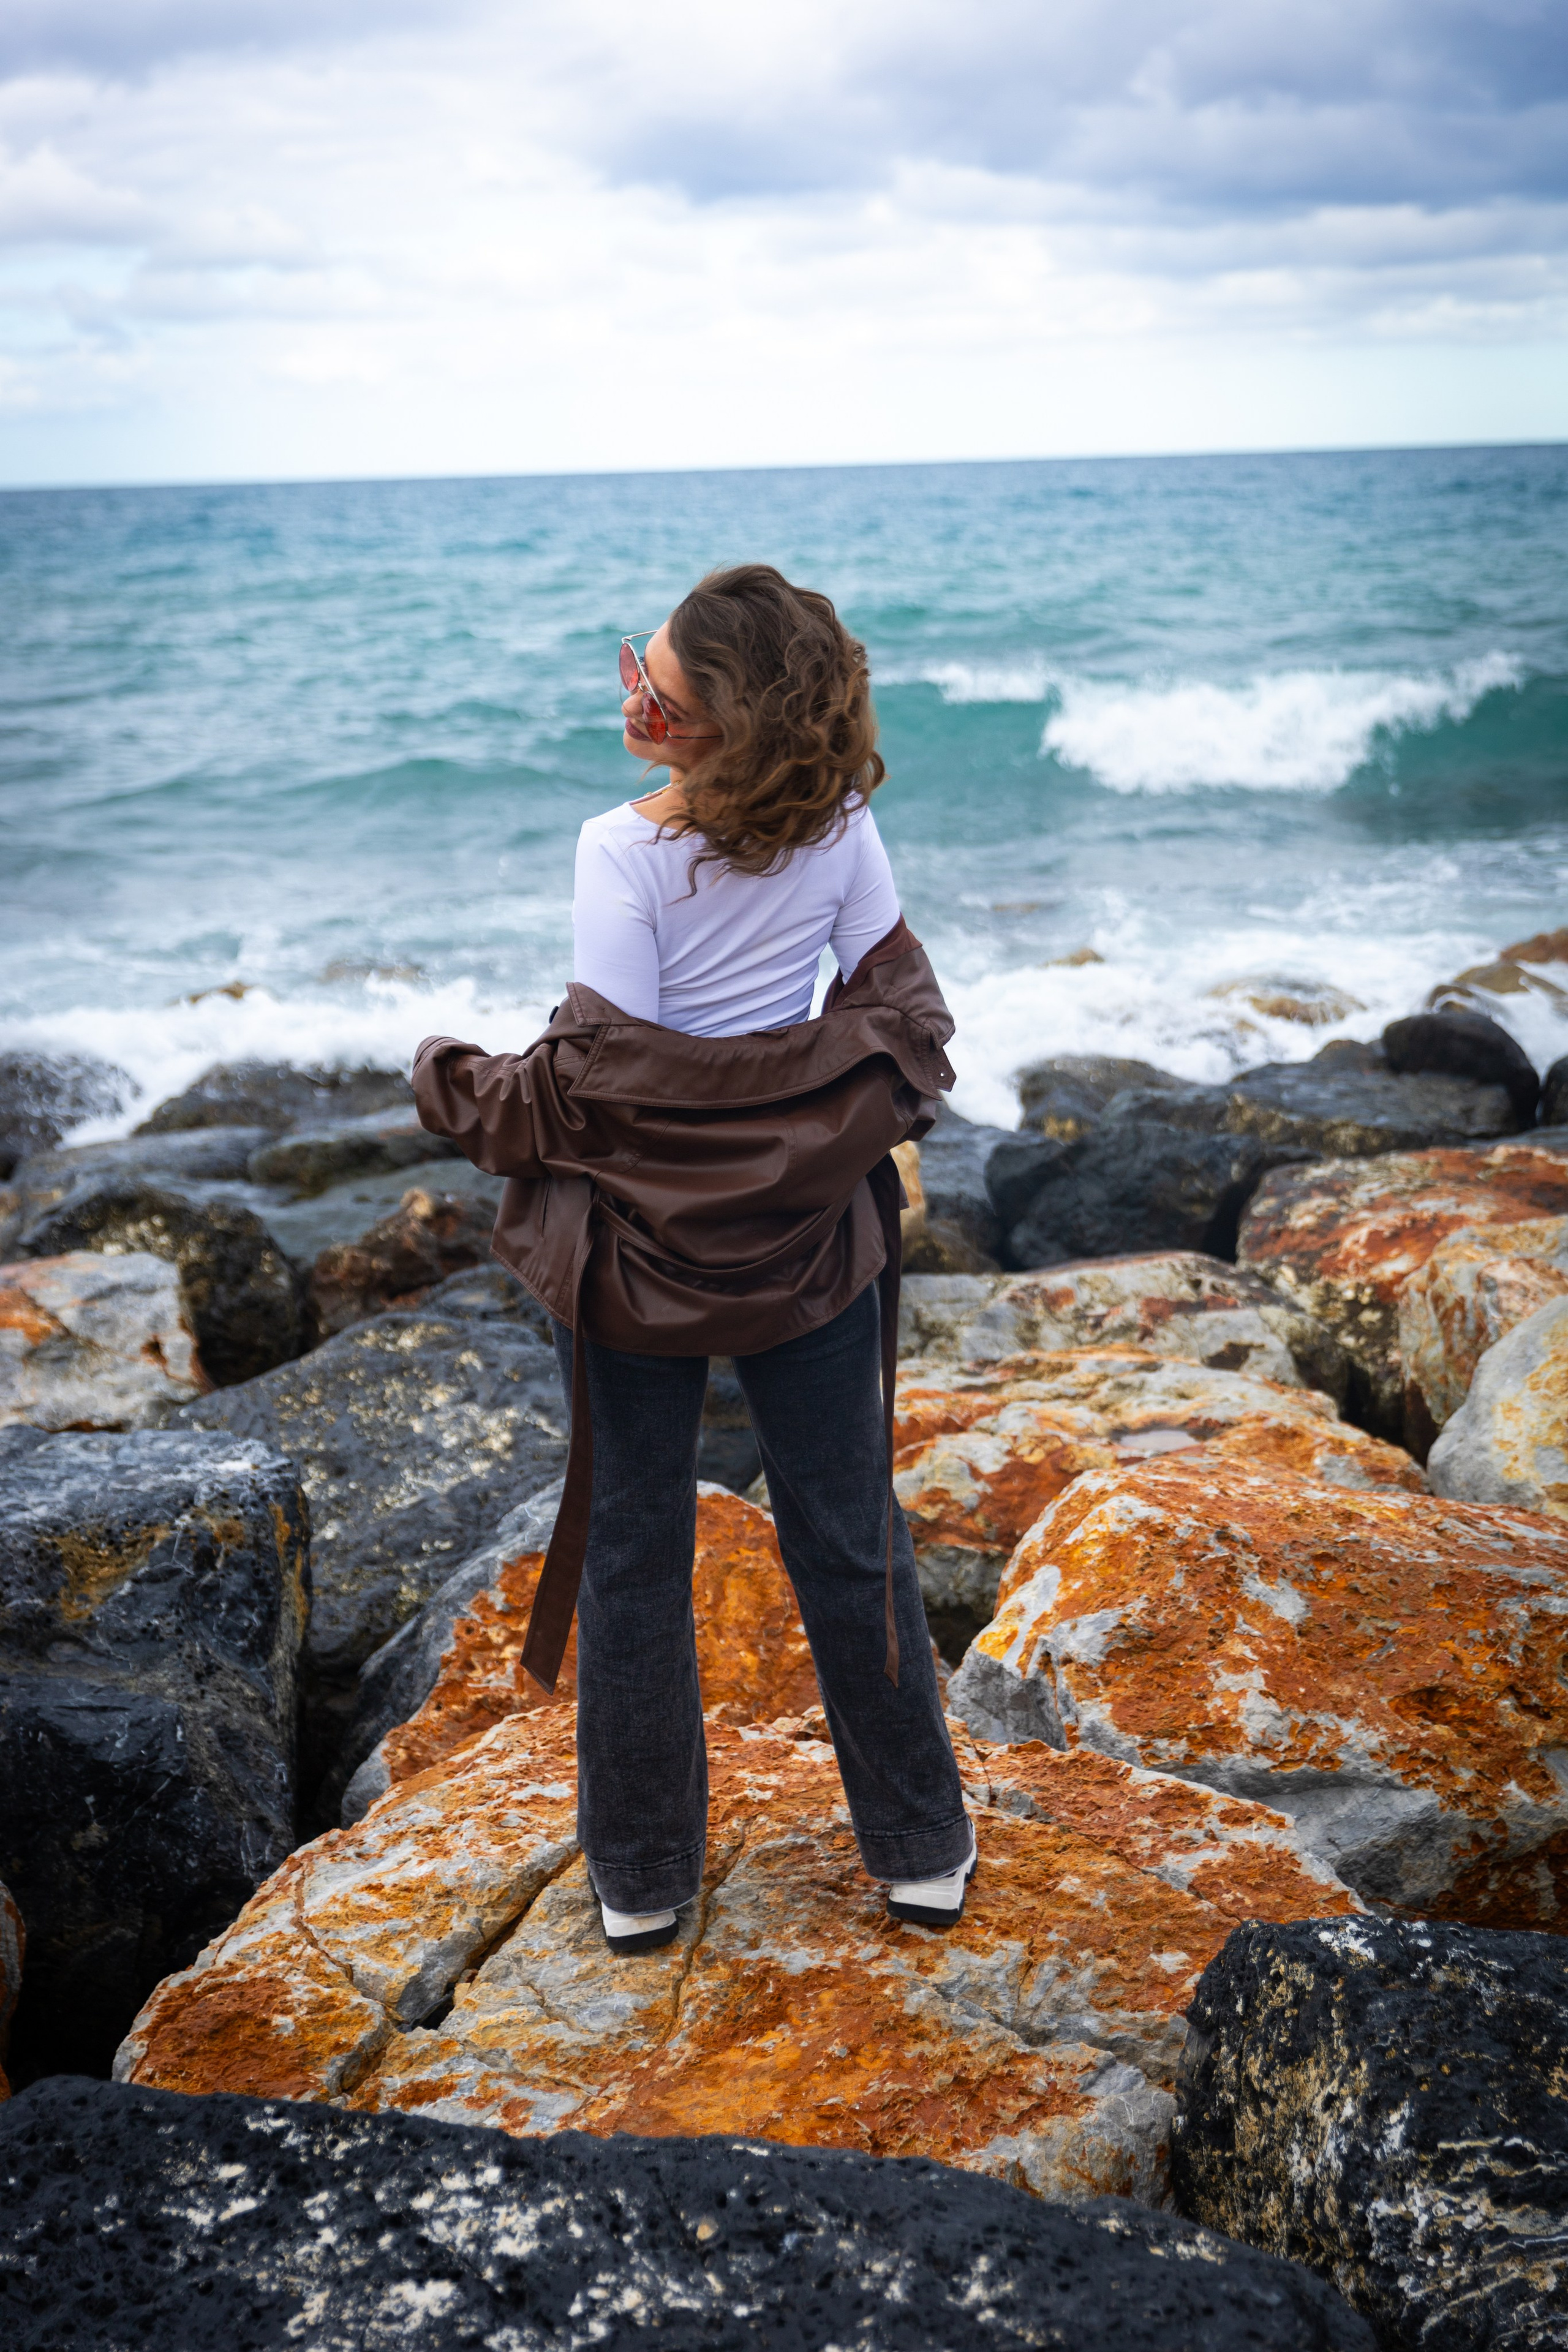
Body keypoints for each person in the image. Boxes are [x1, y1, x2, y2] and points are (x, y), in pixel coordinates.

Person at [413, 563, 974, 1956]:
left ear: (728, 724)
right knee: (848, 1535)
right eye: (634, 667)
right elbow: (902, 1014)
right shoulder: (841, 823)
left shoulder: (619, 851)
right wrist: (806, 1112)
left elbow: (608, 1088)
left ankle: (646, 1873)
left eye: (655, 695)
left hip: (635, 1259)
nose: (628, 701)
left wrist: (449, 1080)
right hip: (804, 1239)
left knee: (634, 1549)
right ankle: (920, 1848)